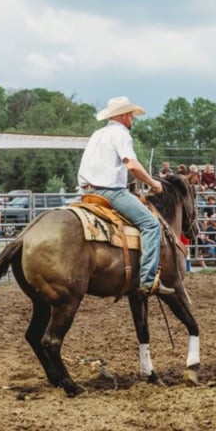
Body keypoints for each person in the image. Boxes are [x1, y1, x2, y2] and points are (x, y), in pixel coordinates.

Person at [77, 96, 173, 296]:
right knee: (151, 225)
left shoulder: (98, 134)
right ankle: (148, 280)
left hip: (86, 192)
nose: (132, 117)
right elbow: (131, 165)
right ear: (121, 116)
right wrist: (154, 183)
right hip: (110, 191)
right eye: (130, 114)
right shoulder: (121, 134)